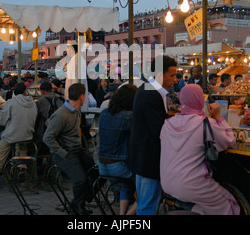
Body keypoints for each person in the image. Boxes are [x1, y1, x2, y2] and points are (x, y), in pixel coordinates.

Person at [160, 84, 239, 215]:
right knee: (229, 204)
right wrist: (219, 116)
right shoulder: (205, 123)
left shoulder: (167, 124)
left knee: (205, 206)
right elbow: (230, 140)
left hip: (167, 184)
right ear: (200, 100)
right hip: (193, 185)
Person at [127, 55, 177, 215]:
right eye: (172, 75)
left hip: (144, 156)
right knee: (147, 206)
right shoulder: (150, 93)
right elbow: (158, 129)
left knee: (145, 202)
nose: (175, 79)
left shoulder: (150, 90)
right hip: (148, 158)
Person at [43, 83, 95, 215]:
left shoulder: (76, 110)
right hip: (64, 153)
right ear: (82, 97)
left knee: (96, 172)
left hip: (77, 150)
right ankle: (77, 206)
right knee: (80, 180)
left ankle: (85, 198)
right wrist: (63, 152)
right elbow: (47, 138)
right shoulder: (61, 115)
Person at [0, 82, 37, 190]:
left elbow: (1, 122)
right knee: (22, 151)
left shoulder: (10, 103)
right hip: (27, 135)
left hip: (11, 136)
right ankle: (21, 170)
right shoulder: (33, 103)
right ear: (25, 91)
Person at [98, 84, 137, 215]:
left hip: (102, 165)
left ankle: (121, 214)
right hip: (119, 166)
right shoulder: (129, 116)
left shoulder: (104, 113)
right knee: (149, 186)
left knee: (127, 184)